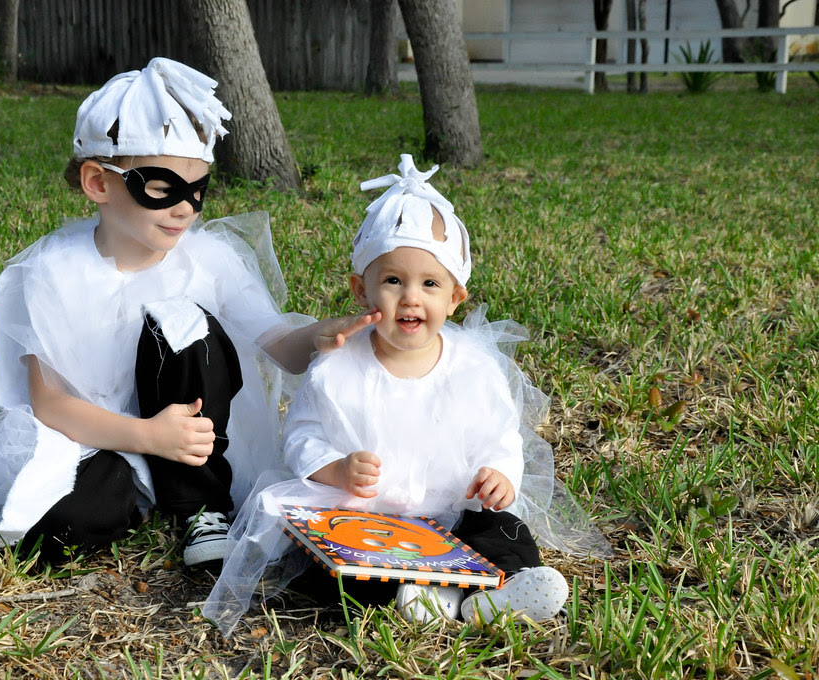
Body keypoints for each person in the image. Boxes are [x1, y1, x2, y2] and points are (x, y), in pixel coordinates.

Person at [0, 58, 372, 569]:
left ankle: (198, 503)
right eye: (161, 188)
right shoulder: (52, 271)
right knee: (55, 532)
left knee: (182, 318)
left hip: (198, 434)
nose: (183, 209)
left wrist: (320, 336)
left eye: (197, 191)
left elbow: (277, 342)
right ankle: (138, 484)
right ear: (98, 182)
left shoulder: (211, 260)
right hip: (99, 432)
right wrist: (147, 436)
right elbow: (50, 404)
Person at [202, 154, 612, 636]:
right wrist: (335, 467)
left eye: (430, 284)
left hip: (453, 508)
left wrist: (500, 472)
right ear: (362, 289)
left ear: (455, 298)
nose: (411, 297)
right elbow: (302, 432)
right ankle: (414, 593)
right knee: (322, 565)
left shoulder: (473, 368)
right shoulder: (337, 366)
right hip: (365, 516)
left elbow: (500, 434)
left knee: (506, 531)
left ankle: (504, 590)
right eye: (393, 281)